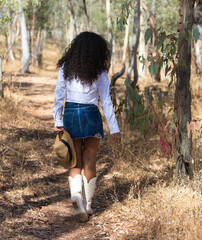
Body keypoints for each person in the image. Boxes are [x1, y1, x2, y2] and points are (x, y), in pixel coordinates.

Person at [52, 32, 121, 222]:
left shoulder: (66, 68)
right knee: (90, 161)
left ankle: (77, 201)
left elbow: (59, 95)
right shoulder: (99, 72)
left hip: (71, 114)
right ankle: (88, 206)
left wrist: (58, 120)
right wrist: (114, 128)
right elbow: (106, 101)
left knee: (75, 162)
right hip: (91, 115)